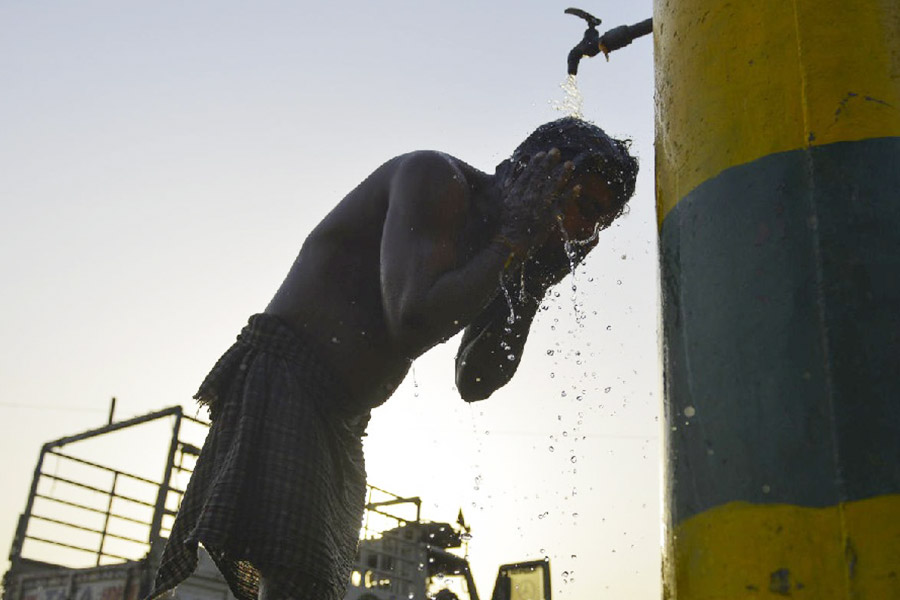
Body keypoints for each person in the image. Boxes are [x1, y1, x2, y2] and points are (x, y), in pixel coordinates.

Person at [148, 117, 637, 600]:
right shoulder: (436, 180)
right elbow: (412, 321)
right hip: (285, 379)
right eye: (583, 205)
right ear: (535, 170)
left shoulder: (505, 243)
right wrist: (512, 243)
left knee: (311, 584)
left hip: (340, 422)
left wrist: (533, 282)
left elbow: (477, 379)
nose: (584, 230)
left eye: (600, 222)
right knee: (270, 581)